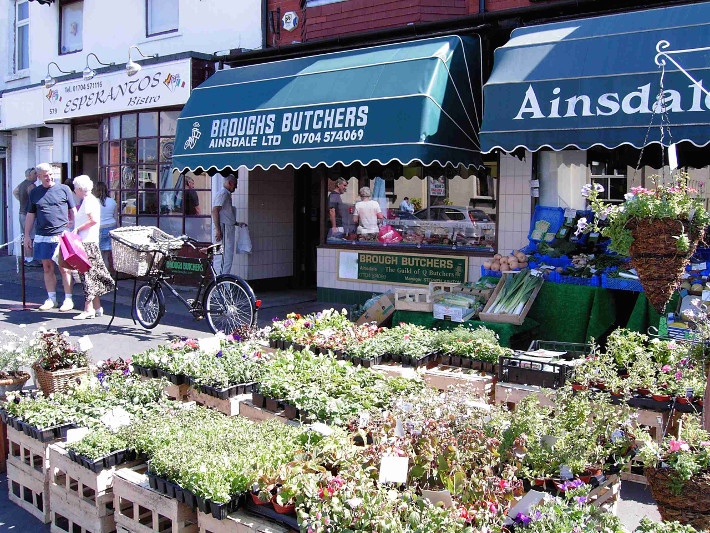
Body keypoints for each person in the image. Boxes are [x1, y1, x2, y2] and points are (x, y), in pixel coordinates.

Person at [24, 163, 76, 312]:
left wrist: (74, 228)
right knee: (47, 268)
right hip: (42, 235)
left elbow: (73, 210)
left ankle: (68, 299)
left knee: (64, 268)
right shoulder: (35, 193)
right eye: (45, 175)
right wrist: (27, 235)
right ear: (39, 177)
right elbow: (30, 215)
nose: (49, 177)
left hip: (61, 234)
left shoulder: (64, 189)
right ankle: (51, 298)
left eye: (50, 174)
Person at [71, 175, 116, 320]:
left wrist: (77, 229)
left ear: (79, 189)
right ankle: (97, 307)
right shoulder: (90, 200)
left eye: (75, 188)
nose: (74, 191)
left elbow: (93, 220)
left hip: (87, 243)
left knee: (87, 276)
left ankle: (88, 308)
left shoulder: (89, 201)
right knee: (92, 275)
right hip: (90, 242)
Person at [13, 167, 40, 267]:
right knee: (30, 236)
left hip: (22, 212)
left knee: (25, 235)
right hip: (29, 214)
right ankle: (30, 259)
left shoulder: (22, 184)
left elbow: (15, 191)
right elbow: (34, 198)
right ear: (29, 175)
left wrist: (22, 200)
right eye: (34, 174)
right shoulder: (31, 186)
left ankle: (26, 257)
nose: (36, 176)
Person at [212, 174, 238, 275]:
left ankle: (222, 284)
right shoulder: (223, 194)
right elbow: (215, 210)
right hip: (224, 229)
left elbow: (224, 212)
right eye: (234, 184)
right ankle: (220, 285)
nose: (235, 187)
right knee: (224, 258)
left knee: (225, 258)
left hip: (226, 227)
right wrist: (218, 230)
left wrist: (235, 223)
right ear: (230, 183)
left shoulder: (225, 194)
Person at [94, 181, 117, 271]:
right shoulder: (112, 201)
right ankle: (107, 276)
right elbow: (115, 217)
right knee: (106, 256)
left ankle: (101, 278)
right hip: (111, 227)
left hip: (99, 228)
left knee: (98, 255)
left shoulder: (94, 202)